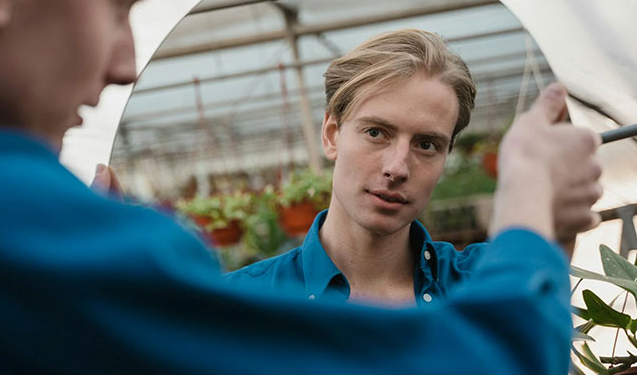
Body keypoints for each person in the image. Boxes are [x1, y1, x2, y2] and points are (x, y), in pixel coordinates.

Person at [0, 0, 603, 373]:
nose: (125, 63)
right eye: (119, 4)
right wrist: (529, 217)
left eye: (428, 144)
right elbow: (479, 362)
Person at [226, 29, 602, 307]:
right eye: (376, 132)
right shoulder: (243, 305)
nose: (397, 167)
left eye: (426, 144)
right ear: (331, 135)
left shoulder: (483, 285)